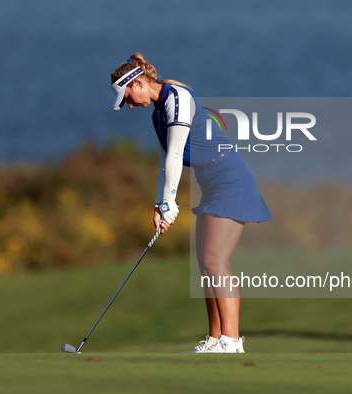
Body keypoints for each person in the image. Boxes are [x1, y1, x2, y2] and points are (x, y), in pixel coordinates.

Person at [110, 53, 272, 353]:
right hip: (210, 183)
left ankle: (232, 341)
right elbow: (163, 165)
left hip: (230, 179)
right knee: (205, 265)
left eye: (128, 96)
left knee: (215, 261)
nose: (129, 104)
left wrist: (171, 202)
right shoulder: (158, 115)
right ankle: (214, 339)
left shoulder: (178, 98)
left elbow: (174, 156)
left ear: (141, 82)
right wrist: (160, 206)